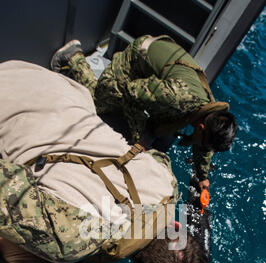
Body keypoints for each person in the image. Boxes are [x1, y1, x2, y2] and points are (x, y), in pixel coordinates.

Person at [0, 60, 208, 263]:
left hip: (47, 81)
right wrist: (17, 249)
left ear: (176, 225)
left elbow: (155, 157)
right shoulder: (71, 238)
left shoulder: (165, 180)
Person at [50, 35, 238, 191]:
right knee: (100, 104)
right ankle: (73, 55)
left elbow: (204, 146)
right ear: (201, 127)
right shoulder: (177, 97)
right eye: (203, 142)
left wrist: (202, 177)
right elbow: (131, 91)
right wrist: (140, 140)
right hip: (134, 63)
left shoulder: (209, 111)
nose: (202, 147)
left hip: (156, 75)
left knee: (155, 137)